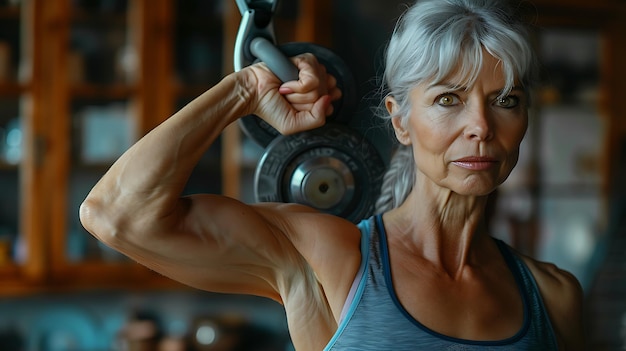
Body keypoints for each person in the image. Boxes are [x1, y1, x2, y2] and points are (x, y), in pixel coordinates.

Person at [79, 0, 585, 349]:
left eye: (506, 101)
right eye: (448, 99)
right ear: (400, 119)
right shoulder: (328, 258)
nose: (481, 126)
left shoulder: (552, 296)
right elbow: (116, 216)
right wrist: (247, 89)